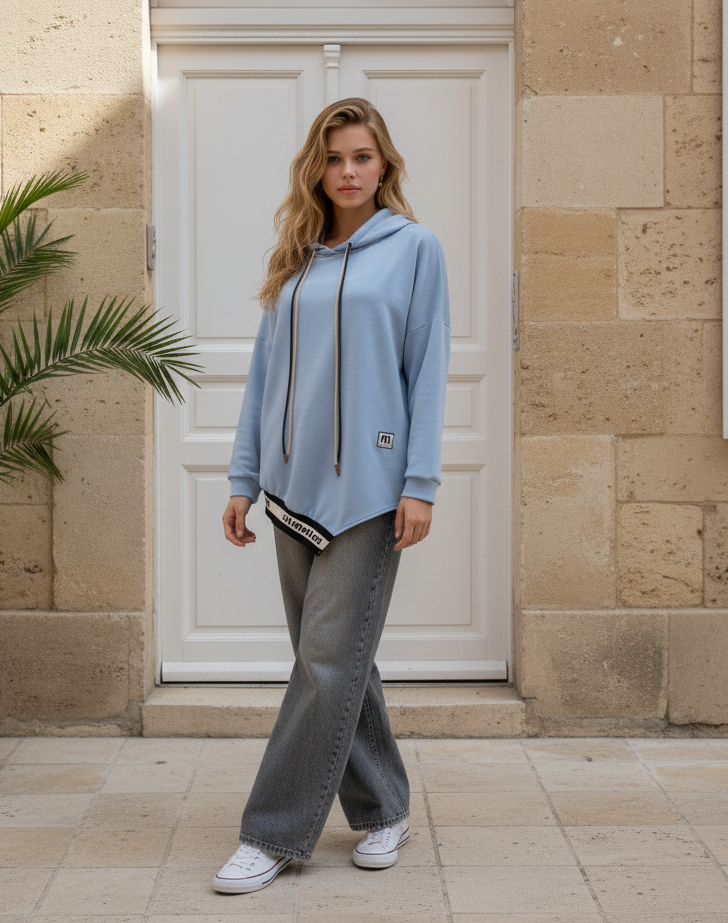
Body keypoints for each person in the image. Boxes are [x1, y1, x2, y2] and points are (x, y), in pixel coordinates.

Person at [214, 97, 452, 894]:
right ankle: (385, 809)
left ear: (384, 166)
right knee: (338, 661)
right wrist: (243, 478)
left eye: (362, 157)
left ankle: (272, 834)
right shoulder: (297, 258)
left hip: (372, 494)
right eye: (334, 158)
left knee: (325, 661)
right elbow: (263, 379)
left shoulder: (415, 249)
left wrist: (419, 484)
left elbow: (428, 369)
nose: (348, 171)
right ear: (316, 169)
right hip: (291, 489)